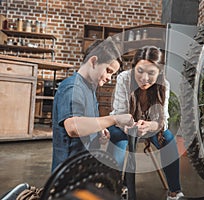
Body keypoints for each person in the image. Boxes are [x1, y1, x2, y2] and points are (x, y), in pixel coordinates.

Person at [107, 46, 184, 200]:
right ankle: (114, 187)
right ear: (134, 67)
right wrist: (129, 127)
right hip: (123, 126)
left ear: (159, 72)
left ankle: (175, 191)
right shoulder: (124, 78)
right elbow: (118, 113)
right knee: (117, 139)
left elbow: (163, 120)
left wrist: (151, 126)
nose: (144, 78)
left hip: (149, 128)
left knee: (168, 139)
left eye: (151, 73)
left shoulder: (164, 85)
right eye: (140, 71)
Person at [51, 37, 134, 172]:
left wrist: (98, 131)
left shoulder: (89, 88)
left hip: (83, 169)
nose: (109, 78)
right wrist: (115, 119)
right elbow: (73, 127)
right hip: (68, 175)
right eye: (108, 71)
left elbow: (84, 123)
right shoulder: (72, 88)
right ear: (94, 61)